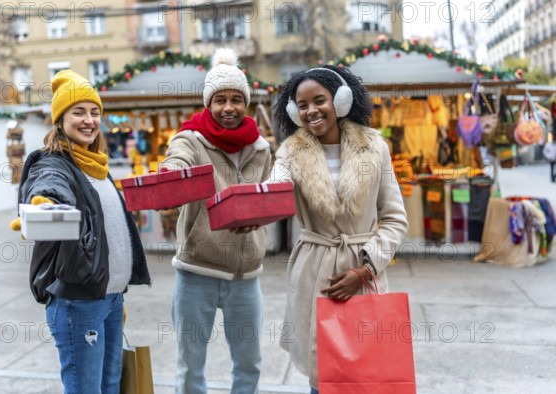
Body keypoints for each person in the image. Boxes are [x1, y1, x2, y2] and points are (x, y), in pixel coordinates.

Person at [269, 65, 408, 393]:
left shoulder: (375, 147)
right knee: (323, 375)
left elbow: (395, 217)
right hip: (314, 274)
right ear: (293, 110)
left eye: (319, 100)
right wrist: (246, 214)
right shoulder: (290, 153)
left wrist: (365, 269)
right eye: (302, 105)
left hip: (364, 271)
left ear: (341, 100)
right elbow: (272, 194)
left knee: (368, 376)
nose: (311, 111)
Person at [11, 70, 151, 393]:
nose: (88, 120)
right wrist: (45, 203)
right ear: (60, 120)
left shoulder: (98, 164)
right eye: (78, 112)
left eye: (94, 112)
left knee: (111, 386)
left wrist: (115, 289)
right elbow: (50, 184)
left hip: (111, 298)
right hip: (78, 301)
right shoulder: (54, 163)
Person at [158, 47, 271, 394]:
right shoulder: (191, 140)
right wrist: (169, 173)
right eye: (220, 99)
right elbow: (176, 159)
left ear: (247, 103)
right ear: (208, 104)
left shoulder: (262, 149)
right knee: (191, 367)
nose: (228, 108)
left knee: (249, 364)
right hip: (197, 273)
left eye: (237, 99)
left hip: (246, 277)